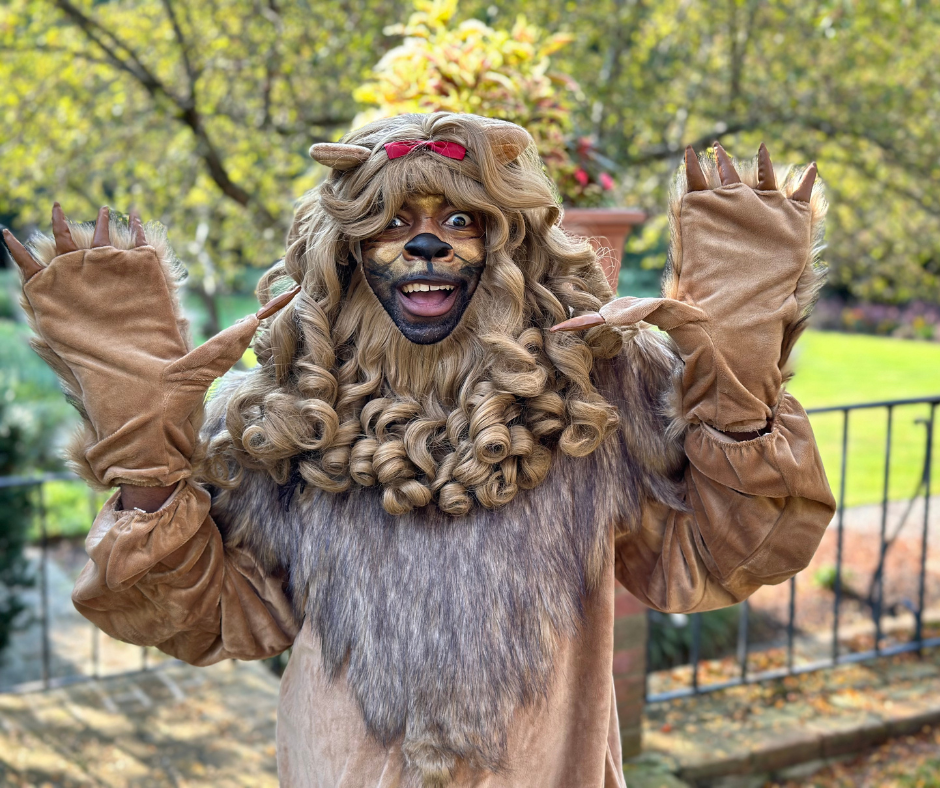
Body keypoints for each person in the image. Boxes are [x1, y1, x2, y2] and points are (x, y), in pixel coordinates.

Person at [5, 112, 835, 788]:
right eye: (394, 224)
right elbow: (221, 618)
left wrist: (736, 385)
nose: (427, 247)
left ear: (511, 243)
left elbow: (714, 563)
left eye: (460, 221)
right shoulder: (283, 409)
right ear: (346, 251)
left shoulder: (600, 390)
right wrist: (147, 465)